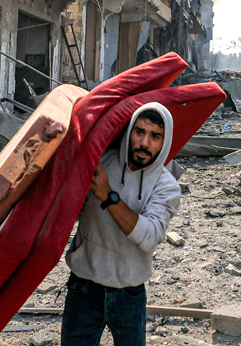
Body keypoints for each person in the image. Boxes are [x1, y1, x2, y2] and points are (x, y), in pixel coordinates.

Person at [62, 102, 181, 346]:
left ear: (164, 141)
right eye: (139, 132)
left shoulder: (166, 186)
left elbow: (149, 238)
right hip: (83, 289)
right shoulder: (101, 162)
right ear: (129, 132)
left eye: (155, 136)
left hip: (129, 294)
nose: (144, 143)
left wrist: (108, 196)